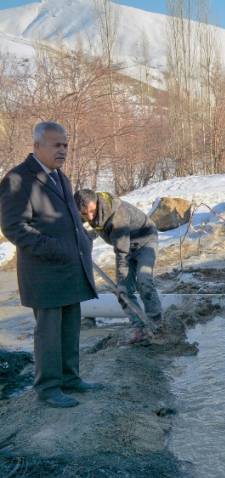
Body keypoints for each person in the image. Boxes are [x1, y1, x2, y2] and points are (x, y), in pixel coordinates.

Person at [0, 122, 99, 408]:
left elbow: (69, 220)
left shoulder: (61, 178)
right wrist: (55, 249)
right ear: (37, 146)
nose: (63, 150)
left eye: (65, 145)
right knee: (49, 331)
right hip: (44, 272)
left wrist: (83, 242)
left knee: (70, 326)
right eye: (56, 145)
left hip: (70, 268)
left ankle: (70, 378)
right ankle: (48, 387)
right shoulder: (18, 179)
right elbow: (14, 228)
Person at [74, 189, 162, 342]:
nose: (89, 217)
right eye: (84, 213)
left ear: (97, 203)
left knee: (144, 280)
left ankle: (156, 325)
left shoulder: (117, 215)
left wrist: (121, 280)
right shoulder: (88, 212)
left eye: (92, 211)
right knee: (122, 292)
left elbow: (122, 253)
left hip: (145, 241)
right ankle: (140, 327)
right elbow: (76, 226)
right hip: (125, 246)